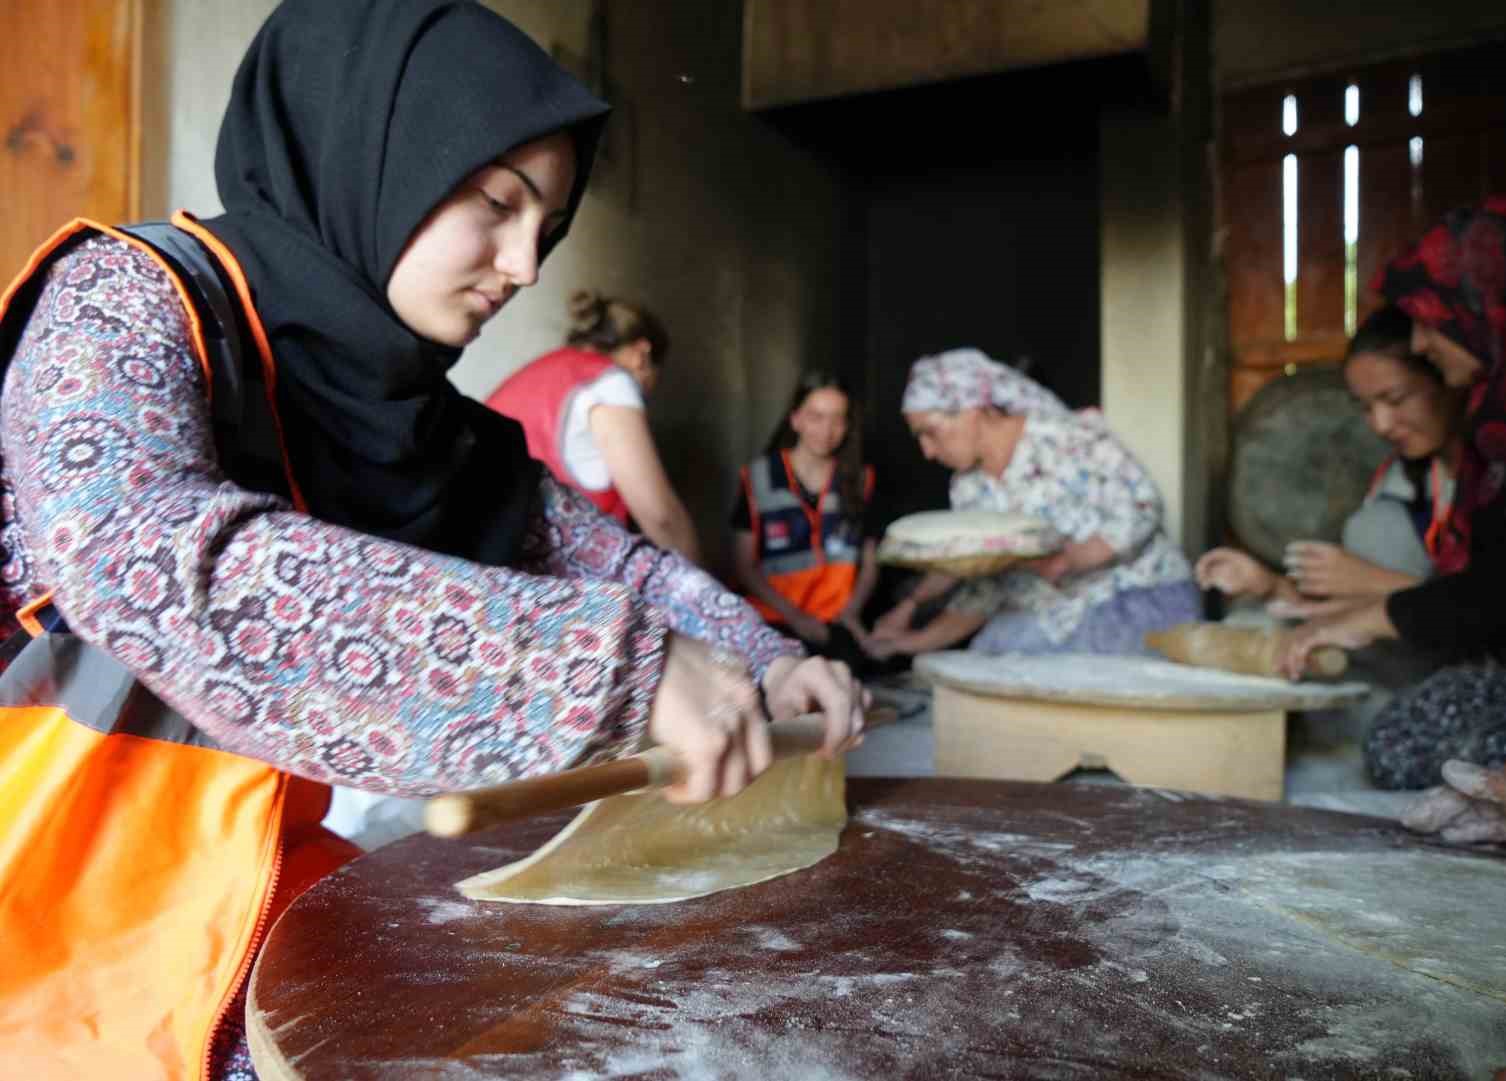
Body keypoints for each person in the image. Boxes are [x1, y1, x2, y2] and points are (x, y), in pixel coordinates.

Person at [0, 3, 863, 1078]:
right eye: (496, 203)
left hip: (242, 889)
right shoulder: (128, 300)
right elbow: (149, 558)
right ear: (367, 148)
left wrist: (766, 661)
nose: (523, 263)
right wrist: (614, 669)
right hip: (46, 920)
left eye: (544, 229)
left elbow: (606, 560)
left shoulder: (413, 418)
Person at [1279, 188, 1506, 790]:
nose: (1422, 340)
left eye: (1432, 323)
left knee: (1417, 744)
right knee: (1398, 731)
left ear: (1491, 307)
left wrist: (1378, 604)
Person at [867, 348, 1200, 657]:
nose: (927, 451)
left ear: (971, 411)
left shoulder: (1064, 437)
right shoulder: (969, 487)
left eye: (930, 432)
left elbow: (1143, 505)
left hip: (1136, 599)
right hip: (1051, 616)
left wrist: (1069, 559)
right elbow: (988, 587)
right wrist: (910, 637)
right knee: (985, 663)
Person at [1196, 306, 1467, 609]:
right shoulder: (1398, 482)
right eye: (1365, 407)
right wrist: (1270, 587)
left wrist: (1372, 582)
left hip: (1493, 652)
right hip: (1418, 642)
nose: (1380, 424)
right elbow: (1353, 619)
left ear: (1449, 380)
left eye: (1395, 399)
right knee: (1374, 526)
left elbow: (1500, 609)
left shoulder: (1504, 478)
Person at [487, 289, 701, 562]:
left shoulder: (538, 371)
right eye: (652, 381)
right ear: (641, 354)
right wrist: (708, 591)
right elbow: (660, 517)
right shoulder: (610, 382)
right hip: (564, 576)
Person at [731, 371, 881, 663]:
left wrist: (851, 612)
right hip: (774, 619)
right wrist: (796, 618)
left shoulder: (862, 480)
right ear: (796, 419)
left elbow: (871, 563)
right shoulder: (758, 478)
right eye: (816, 417)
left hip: (837, 620)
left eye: (838, 419)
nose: (827, 430)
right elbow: (743, 566)